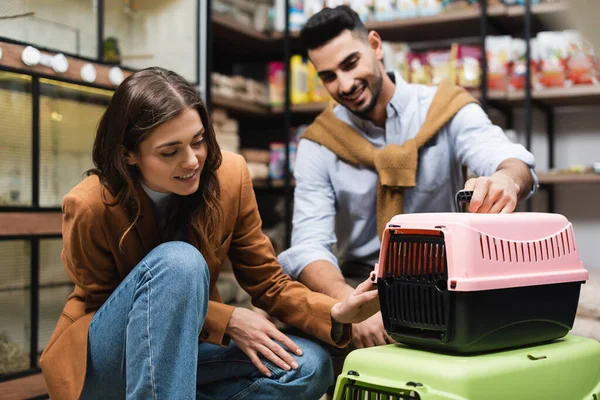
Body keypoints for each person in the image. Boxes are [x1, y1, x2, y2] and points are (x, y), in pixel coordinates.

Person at [39, 66, 380, 400]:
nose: (191, 161)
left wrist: (335, 311)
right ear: (128, 154)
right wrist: (225, 318)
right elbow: (109, 305)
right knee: (180, 261)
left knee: (308, 366)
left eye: (198, 141)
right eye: (170, 152)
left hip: (189, 349)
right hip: (107, 364)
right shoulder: (89, 204)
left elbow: (268, 283)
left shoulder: (230, 176)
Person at [277, 5, 539, 356]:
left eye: (351, 63)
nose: (344, 84)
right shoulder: (317, 144)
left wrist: (506, 179)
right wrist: (352, 305)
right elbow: (309, 246)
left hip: (445, 275)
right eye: (328, 76)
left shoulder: (445, 108)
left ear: (375, 45)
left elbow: (510, 159)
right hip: (360, 279)